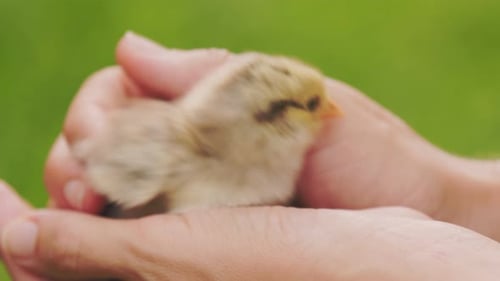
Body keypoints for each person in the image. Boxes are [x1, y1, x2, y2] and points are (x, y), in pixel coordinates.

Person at [1, 32, 499, 280]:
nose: (329, 110)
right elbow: (106, 168)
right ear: (275, 119)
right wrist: (449, 197)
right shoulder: (175, 153)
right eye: (311, 105)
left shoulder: (279, 168)